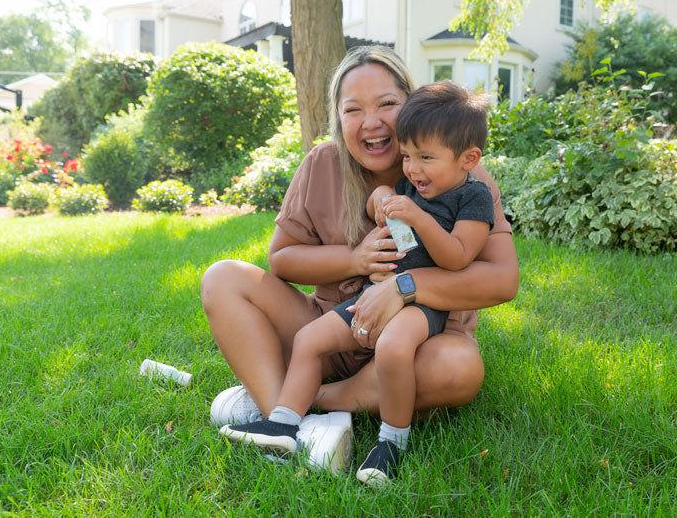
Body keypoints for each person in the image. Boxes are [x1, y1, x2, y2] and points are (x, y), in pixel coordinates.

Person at [201, 45, 518, 476]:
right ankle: (289, 420)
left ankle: (307, 404)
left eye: (387, 103)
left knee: (459, 366)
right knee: (223, 278)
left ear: (411, 104)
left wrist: (405, 288)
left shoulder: (464, 178)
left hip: (418, 343)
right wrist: (354, 260)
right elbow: (282, 259)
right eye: (353, 110)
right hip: (335, 326)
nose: (372, 122)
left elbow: (502, 280)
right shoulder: (322, 164)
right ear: (338, 119)